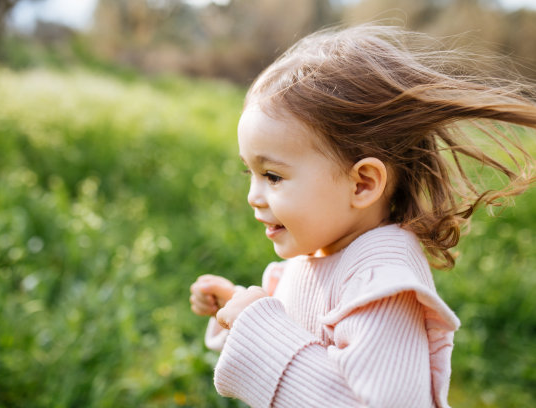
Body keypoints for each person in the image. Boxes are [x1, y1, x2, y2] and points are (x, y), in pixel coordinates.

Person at [189, 24, 535, 408]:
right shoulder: (324, 257)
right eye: (249, 173)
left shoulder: (381, 285)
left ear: (362, 185)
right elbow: (305, 340)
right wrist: (236, 312)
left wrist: (259, 329)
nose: (253, 196)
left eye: (273, 175)